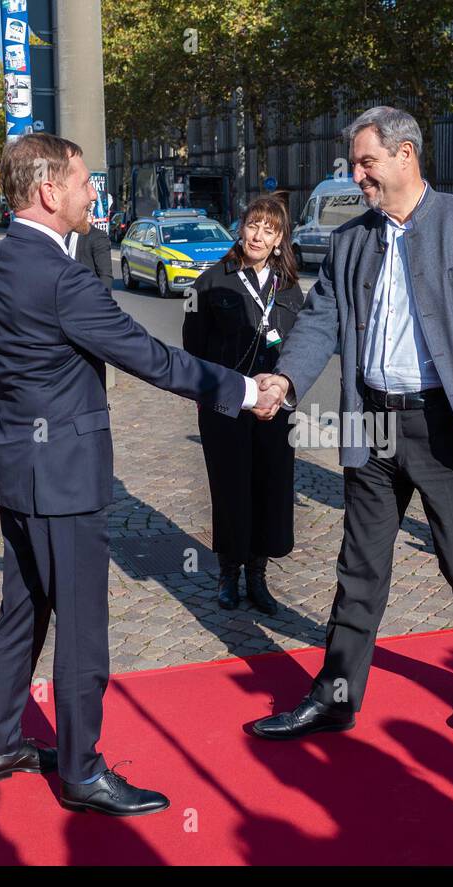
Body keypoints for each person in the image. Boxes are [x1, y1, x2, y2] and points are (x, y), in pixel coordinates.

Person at [0, 132, 277, 817]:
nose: (91, 194)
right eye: (83, 182)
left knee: (21, 609)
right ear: (50, 190)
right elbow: (150, 356)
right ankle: (81, 771)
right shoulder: (61, 276)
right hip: (65, 478)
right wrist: (245, 392)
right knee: (82, 626)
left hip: (18, 467)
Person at [250, 106, 453, 740]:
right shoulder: (352, 238)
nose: (358, 175)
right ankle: (336, 697)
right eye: (356, 165)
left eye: (366, 162)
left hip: (449, 428)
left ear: (406, 155)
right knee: (359, 569)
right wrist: (287, 378)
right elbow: (321, 319)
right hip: (373, 422)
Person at [183, 195, 304, 615]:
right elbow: (194, 349)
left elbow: (300, 346)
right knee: (231, 490)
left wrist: (284, 391)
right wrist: (208, 395)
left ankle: (258, 574)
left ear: (279, 240)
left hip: (275, 409)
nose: (258, 235)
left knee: (269, 490)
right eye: (254, 225)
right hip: (228, 410)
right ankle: (228, 574)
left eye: (269, 230)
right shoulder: (213, 280)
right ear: (241, 227)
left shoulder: (288, 285)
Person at [67, 214, 112, 287]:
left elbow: (105, 275)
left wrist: (102, 297)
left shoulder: (97, 236)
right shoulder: (66, 234)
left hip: (88, 292)